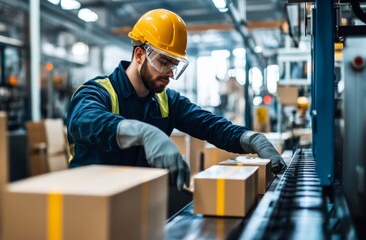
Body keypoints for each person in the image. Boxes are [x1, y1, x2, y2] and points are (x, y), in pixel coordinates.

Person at [66, 9, 286, 191]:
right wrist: (144, 133)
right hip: (89, 210)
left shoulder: (166, 101)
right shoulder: (98, 92)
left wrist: (251, 138)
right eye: (164, 62)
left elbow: (210, 126)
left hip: (136, 210)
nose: (170, 73)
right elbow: (84, 122)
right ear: (140, 55)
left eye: (174, 65)